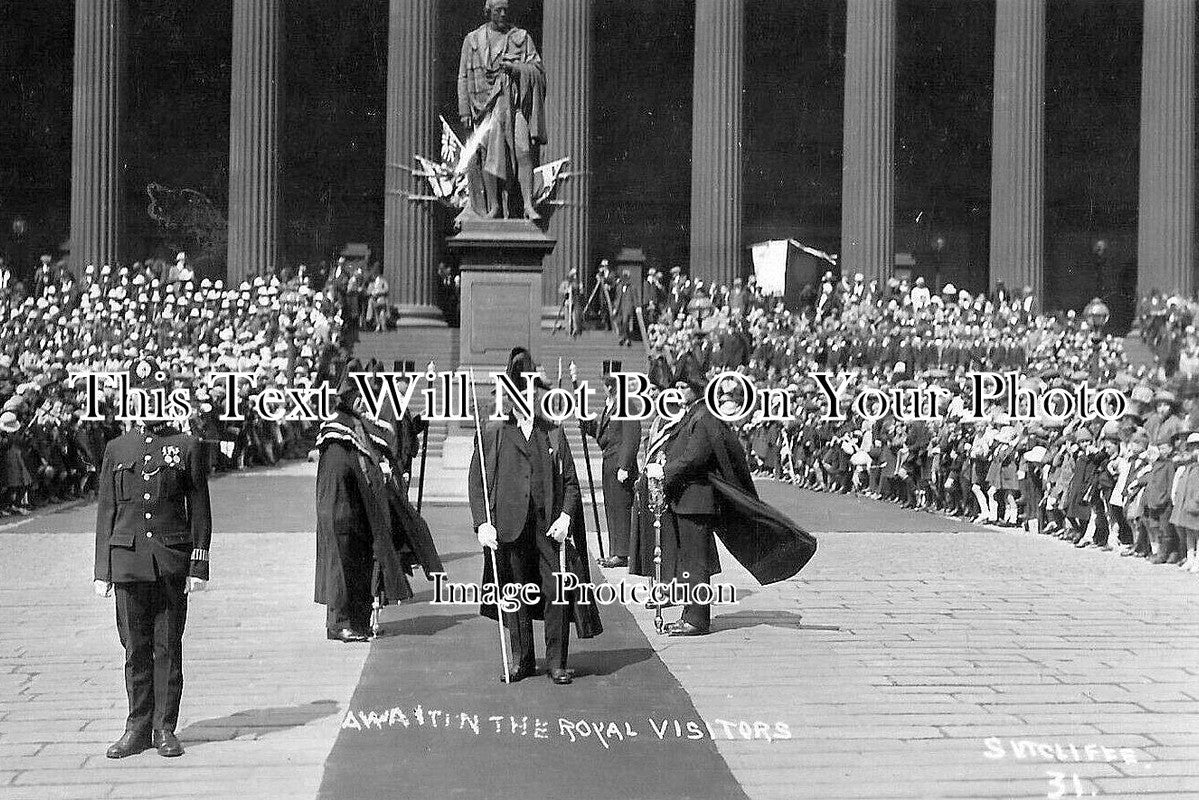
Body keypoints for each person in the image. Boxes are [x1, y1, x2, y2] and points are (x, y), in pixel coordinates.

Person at [93, 359, 212, 759]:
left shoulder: (185, 446)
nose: (150, 406)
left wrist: (198, 563)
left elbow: (198, 507)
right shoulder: (117, 448)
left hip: (170, 560)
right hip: (127, 560)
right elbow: (106, 510)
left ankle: (164, 727)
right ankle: (136, 726)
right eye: (142, 399)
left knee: (167, 646)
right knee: (134, 648)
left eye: (156, 399)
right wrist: (102, 569)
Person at [469, 348, 600, 684]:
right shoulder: (494, 430)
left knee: (557, 590)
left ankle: (557, 661)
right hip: (509, 527)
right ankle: (521, 660)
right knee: (514, 593)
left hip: (548, 528)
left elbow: (571, 482)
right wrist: (482, 521)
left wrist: (567, 517)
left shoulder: (552, 431)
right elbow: (477, 478)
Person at [314, 360, 430, 642]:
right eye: (361, 399)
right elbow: (337, 476)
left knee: (359, 566)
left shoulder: (359, 426)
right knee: (340, 567)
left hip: (360, 509)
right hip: (341, 508)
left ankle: (358, 621)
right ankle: (339, 624)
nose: (367, 405)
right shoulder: (337, 432)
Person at [457, 0, 547, 220]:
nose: (504, 14)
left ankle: (527, 204)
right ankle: (494, 206)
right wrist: (464, 110)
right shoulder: (473, 40)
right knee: (490, 157)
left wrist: (516, 68)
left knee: (523, 149)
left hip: (513, 105)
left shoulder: (521, 38)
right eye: (499, 10)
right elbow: (463, 76)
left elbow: (538, 71)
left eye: (506, 10)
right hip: (483, 108)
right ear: (489, 12)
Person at [577, 370, 640, 568]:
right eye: (606, 383)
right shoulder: (610, 406)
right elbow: (603, 435)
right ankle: (615, 551)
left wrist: (625, 465)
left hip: (620, 465)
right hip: (609, 463)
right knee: (612, 508)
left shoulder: (625, 404)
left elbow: (632, 436)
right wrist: (587, 424)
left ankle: (622, 554)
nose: (607, 387)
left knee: (621, 508)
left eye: (608, 383)